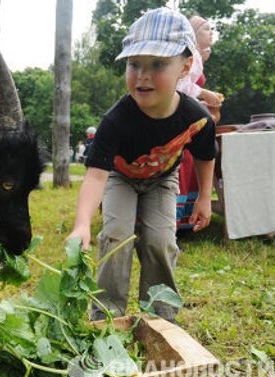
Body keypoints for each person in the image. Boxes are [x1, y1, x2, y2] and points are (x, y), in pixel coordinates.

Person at [66, 8, 216, 323]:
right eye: (135, 64)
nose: (143, 75)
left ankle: (161, 316)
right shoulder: (116, 120)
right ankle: (106, 315)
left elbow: (205, 155)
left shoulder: (196, 117)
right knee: (116, 235)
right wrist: (82, 224)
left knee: (161, 240)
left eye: (158, 64)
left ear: (185, 67)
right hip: (121, 178)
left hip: (162, 180)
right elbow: (95, 177)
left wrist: (204, 197)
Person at [176, 15, 222, 231]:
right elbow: (179, 85)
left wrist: (201, 103)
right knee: (183, 165)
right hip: (177, 120)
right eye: (205, 28)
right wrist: (205, 94)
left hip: (185, 116)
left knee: (191, 164)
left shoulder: (196, 56)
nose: (211, 32)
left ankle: (185, 221)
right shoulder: (189, 55)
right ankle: (174, 225)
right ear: (193, 33)